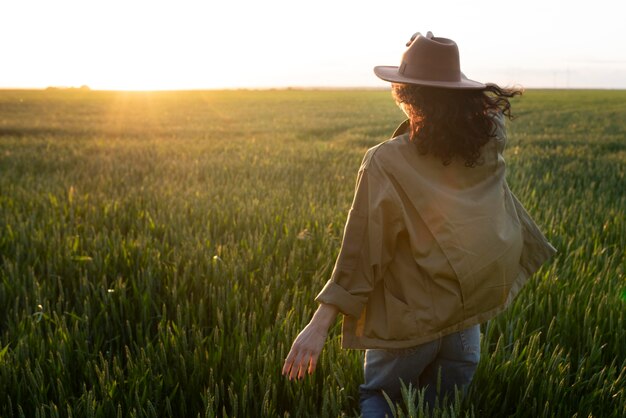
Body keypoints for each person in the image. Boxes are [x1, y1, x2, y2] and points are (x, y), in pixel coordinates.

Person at [282, 31, 556, 417]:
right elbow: (485, 117)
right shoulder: (489, 138)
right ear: (458, 91)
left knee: (381, 399)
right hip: (467, 320)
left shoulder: (386, 162)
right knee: (440, 409)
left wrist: (319, 323)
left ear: (404, 95)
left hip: (408, 324)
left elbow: (361, 252)